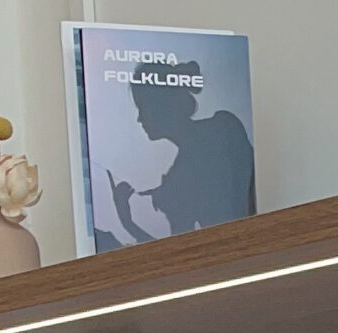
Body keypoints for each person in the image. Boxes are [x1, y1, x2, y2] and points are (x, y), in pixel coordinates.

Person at [105, 62, 254, 243]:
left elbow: (179, 250)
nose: (139, 119)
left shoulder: (223, 129)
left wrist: (129, 221)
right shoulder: (224, 125)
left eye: (142, 109)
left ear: (161, 107)